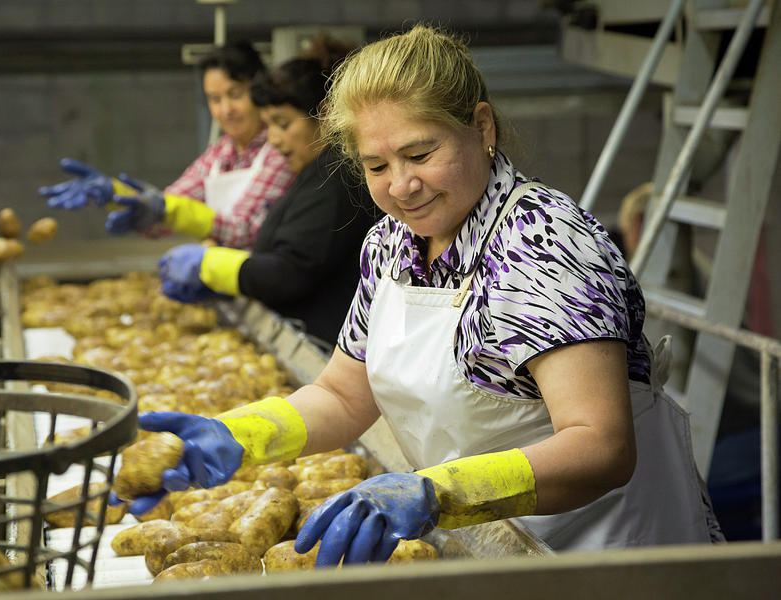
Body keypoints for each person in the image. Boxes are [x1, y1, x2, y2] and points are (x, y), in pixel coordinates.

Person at [114, 25, 721, 564]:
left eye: (420, 154)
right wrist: (238, 436)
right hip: (490, 542)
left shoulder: (540, 242)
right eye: (375, 166)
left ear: (480, 127)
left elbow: (602, 447)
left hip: (604, 555)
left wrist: (437, 492)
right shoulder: (391, 244)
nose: (402, 186)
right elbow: (343, 396)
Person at [156, 37, 376, 346]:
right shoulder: (311, 173)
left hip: (328, 341)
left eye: (283, 124)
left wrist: (214, 267)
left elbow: (291, 271)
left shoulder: (337, 178)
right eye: (269, 125)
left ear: (325, 116)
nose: (272, 139)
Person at [38, 41, 295, 249]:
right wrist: (118, 196)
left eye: (235, 95)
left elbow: (244, 229)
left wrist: (165, 211)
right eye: (215, 99)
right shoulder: (219, 154)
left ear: (258, 90)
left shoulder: (280, 151)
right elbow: (170, 205)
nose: (226, 110)